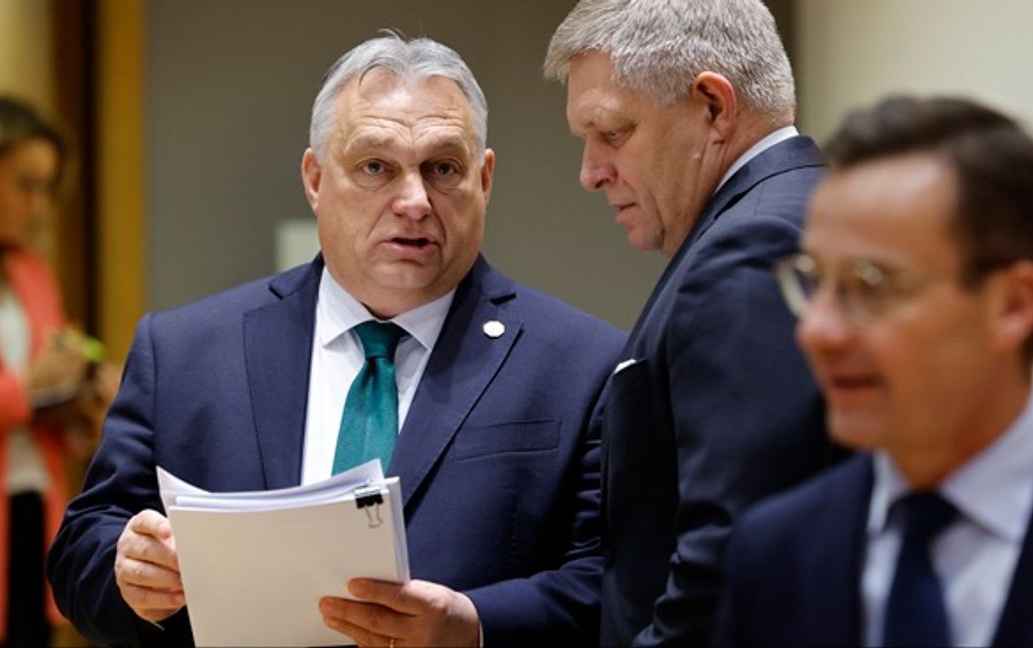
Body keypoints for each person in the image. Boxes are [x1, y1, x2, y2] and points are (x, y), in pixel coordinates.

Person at [48, 34, 624, 647]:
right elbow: (83, 547)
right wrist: (128, 571)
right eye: (375, 167)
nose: (413, 201)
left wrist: (476, 627)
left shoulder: (580, 366)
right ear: (316, 179)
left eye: (444, 169)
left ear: (484, 180)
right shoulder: (185, 351)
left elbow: (611, 582)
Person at [716, 95, 1033, 647]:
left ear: (1012, 306)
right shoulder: (775, 551)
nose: (816, 331)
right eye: (812, 280)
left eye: (870, 284)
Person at [543, 1, 838, 644]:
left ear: (712, 106)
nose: (590, 173)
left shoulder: (752, 246)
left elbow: (731, 562)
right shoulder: (809, 210)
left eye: (613, 133)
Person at [0, 96, 113, 645]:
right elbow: (26, 387)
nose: (40, 205)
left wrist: (86, 397)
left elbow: (49, 384)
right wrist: (26, 388)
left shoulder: (31, 273)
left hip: (29, 511)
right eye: (26, 184)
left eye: (48, 188)